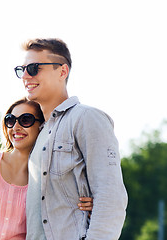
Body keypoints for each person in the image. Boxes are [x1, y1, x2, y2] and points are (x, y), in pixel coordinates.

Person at [14, 38, 128, 240]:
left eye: (33, 68)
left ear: (62, 72)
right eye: (21, 69)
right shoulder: (38, 133)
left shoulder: (86, 118)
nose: (25, 76)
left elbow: (110, 196)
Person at [0, 98, 93, 240]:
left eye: (25, 120)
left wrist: (90, 207)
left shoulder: (47, 178)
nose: (16, 127)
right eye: (10, 120)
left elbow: (67, 209)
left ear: (42, 126)